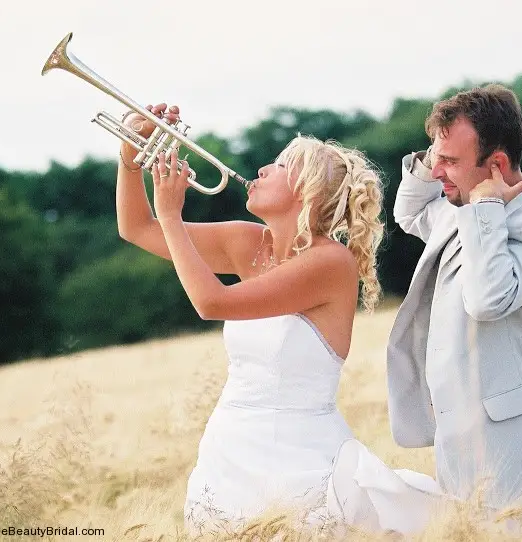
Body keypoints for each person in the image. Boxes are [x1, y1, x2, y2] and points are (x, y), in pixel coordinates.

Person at [116, 104, 444, 537]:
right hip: (229, 449)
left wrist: (173, 215)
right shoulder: (247, 242)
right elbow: (136, 228)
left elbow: (211, 302)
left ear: (307, 191)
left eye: (281, 164)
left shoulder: (331, 263)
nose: (263, 168)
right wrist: (128, 156)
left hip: (302, 457)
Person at [386, 84, 522, 513]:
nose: (438, 173)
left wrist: (486, 209)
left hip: (513, 440)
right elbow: (411, 214)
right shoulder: (463, 203)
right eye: (437, 160)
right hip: (458, 435)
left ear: (497, 164)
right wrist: (438, 153)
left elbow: (488, 299)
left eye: (450, 162)